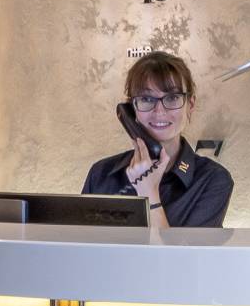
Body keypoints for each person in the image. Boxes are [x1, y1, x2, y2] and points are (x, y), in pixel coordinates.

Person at [82, 52, 233, 226]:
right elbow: (77, 243)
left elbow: (182, 247)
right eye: (146, 99)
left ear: (190, 105)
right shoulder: (100, 174)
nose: (159, 111)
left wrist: (149, 193)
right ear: (131, 110)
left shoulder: (213, 180)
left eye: (172, 97)